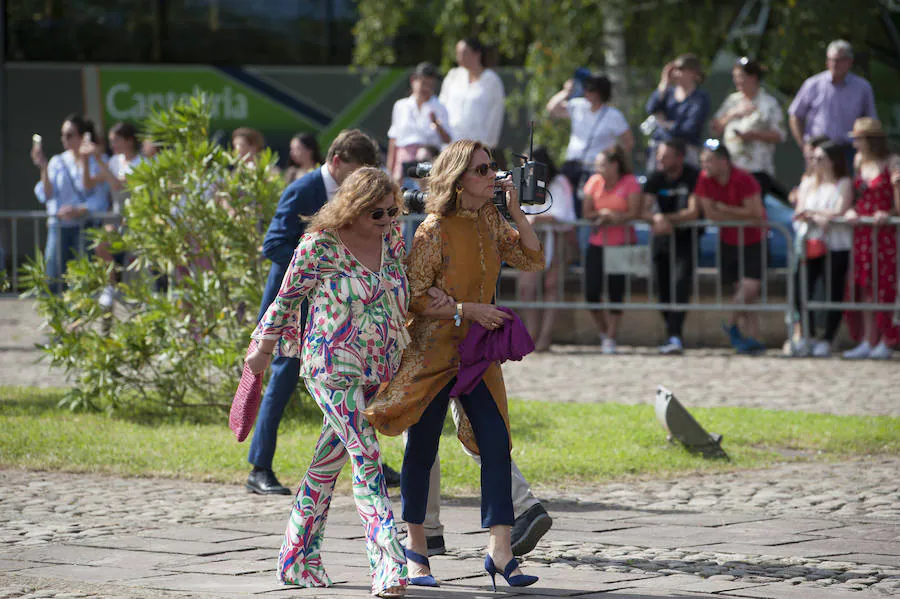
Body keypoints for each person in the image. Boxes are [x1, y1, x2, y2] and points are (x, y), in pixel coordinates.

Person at [364, 140, 543, 590]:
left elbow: (532, 258)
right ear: (460, 178)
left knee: (497, 442)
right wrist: (466, 309)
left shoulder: (489, 219)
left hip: (478, 352)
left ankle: (500, 551)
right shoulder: (431, 230)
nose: (491, 176)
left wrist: (517, 210)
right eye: (482, 170)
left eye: (491, 168)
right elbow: (414, 296)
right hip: (434, 352)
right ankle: (416, 548)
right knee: (422, 449)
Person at [246, 168, 418, 597]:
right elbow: (287, 299)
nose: (386, 219)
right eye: (377, 212)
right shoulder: (320, 245)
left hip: (378, 368)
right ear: (353, 208)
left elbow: (404, 292)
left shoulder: (393, 240)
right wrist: (263, 351)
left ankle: (296, 558)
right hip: (330, 366)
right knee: (366, 456)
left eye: (392, 210)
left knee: (326, 466)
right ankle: (389, 566)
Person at [246, 129, 381, 495]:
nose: (361, 182)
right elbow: (273, 244)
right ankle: (259, 468)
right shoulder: (303, 189)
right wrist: (319, 264)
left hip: (333, 312)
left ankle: (370, 462)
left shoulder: (356, 197)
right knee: (281, 383)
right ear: (336, 162)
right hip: (294, 310)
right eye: (356, 172)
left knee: (352, 385)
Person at [547, 72, 632, 254]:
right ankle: (570, 251)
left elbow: (628, 142)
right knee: (567, 206)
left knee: (587, 209)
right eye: (585, 89)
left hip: (595, 170)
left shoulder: (612, 115)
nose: (587, 93)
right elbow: (552, 109)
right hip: (573, 166)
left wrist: (614, 160)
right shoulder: (578, 106)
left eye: (592, 90)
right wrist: (566, 91)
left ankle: (585, 250)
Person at [695, 140, 767, 354]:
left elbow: (755, 213)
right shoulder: (705, 180)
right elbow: (710, 214)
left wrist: (727, 209)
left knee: (750, 287)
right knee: (744, 293)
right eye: (702, 162)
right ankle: (753, 337)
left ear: (723, 162)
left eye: (708, 161)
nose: (704, 166)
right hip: (729, 240)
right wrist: (737, 212)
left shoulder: (743, 178)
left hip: (754, 239)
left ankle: (730, 323)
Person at [31, 114, 110, 294]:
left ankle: (78, 318)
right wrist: (43, 167)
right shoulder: (57, 161)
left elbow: (98, 196)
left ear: (83, 136)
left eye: (69, 135)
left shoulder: (97, 160)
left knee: (80, 280)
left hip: (86, 225)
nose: (64, 139)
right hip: (59, 226)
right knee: (52, 277)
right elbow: (47, 194)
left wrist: (79, 210)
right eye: (62, 135)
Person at [842, 118, 899, 359]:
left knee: (884, 286)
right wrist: (852, 210)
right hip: (863, 232)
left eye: (858, 139)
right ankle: (868, 338)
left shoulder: (892, 162)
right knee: (864, 285)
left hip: (885, 233)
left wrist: (888, 213)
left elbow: (897, 203)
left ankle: (887, 338)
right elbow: (857, 196)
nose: (854, 143)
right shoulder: (858, 163)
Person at [790, 141, 853, 357]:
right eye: (813, 158)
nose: (815, 162)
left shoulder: (843, 182)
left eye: (820, 158)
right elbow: (800, 211)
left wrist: (814, 214)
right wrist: (817, 216)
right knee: (801, 290)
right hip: (809, 243)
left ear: (832, 160)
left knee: (833, 291)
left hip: (836, 245)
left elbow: (839, 210)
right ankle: (806, 336)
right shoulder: (808, 183)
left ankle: (828, 338)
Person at [642, 138, 701, 354]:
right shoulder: (655, 177)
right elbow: (643, 209)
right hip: (662, 239)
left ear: (679, 158)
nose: (660, 160)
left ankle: (676, 334)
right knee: (662, 287)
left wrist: (665, 219)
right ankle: (671, 332)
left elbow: (693, 211)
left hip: (686, 238)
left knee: (680, 285)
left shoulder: (692, 175)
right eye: (659, 156)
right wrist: (656, 219)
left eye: (665, 156)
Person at [582, 145, 642, 355]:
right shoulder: (594, 182)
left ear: (615, 165)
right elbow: (587, 212)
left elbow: (635, 212)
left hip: (622, 243)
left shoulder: (630, 182)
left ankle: (611, 335)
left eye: (602, 164)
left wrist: (615, 217)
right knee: (591, 291)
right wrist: (603, 215)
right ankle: (604, 331)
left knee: (616, 291)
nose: (598, 168)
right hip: (597, 242)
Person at [518, 147, 576, 351]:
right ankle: (531, 333)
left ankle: (545, 335)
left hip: (555, 239)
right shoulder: (521, 183)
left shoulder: (559, 183)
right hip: (530, 239)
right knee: (527, 288)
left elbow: (562, 214)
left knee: (552, 286)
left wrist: (538, 218)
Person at [789, 40, 877, 167]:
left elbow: (870, 122)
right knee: (816, 186)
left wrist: (867, 151)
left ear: (849, 62)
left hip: (849, 150)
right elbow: (795, 115)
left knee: (848, 186)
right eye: (831, 59)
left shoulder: (862, 87)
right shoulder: (813, 84)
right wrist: (803, 145)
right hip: (818, 150)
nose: (834, 64)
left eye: (839, 60)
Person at [711, 57, 787, 199]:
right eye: (735, 77)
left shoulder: (769, 103)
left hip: (756, 168)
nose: (736, 81)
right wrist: (732, 114)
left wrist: (753, 135)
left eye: (740, 77)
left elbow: (780, 135)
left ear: (753, 77)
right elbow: (715, 129)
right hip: (730, 169)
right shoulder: (732, 101)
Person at [88, 121, 144, 309]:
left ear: (129, 141)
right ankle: (110, 286)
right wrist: (84, 158)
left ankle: (139, 300)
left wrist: (98, 159)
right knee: (101, 244)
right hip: (118, 217)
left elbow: (117, 185)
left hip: (137, 219)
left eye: (116, 141)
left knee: (137, 268)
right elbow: (89, 183)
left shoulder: (142, 163)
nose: (113, 146)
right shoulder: (113, 161)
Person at [439, 38, 505, 157]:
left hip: (476, 149)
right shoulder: (453, 76)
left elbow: (495, 115)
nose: (459, 57)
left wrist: (486, 147)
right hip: (450, 147)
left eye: (464, 53)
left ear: (477, 54)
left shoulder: (491, 80)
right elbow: (441, 106)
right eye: (458, 53)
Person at [387, 62, 452, 182]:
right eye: (423, 83)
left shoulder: (440, 107)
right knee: (399, 186)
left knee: (423, 158)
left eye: (430, 85)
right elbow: (393, 140)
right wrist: (390, 169)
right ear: (413, 81)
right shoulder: (400, 105)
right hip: (404, 158)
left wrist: (437, 124)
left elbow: (447, 139)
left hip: (429, 155)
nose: (426, 88)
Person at [644, 53, 710, 171]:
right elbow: (651, 109)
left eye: (680, 69)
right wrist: (664, 83)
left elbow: (689, 128)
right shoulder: (668, 93)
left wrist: (665, 125)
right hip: (661, 149)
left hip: (686, 151)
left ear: (693, 72)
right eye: (674, 70)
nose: (675, 74)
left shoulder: (700, 98)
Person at [789, 135, 831, 209]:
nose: (810, 161)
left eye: (811, 157)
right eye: (806, 156)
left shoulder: (829, 182)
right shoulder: (806, 178)